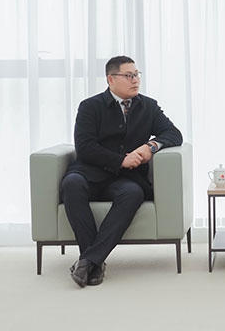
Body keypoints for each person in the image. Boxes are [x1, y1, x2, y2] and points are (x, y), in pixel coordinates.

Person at [60, 55, 183, 287]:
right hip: (89, 173)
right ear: (111, 79)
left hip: (125, 180)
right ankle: (94, 262)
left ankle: (88, 262)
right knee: (71, 184)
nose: (135, 80)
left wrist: (151, 146)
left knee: (133, 193)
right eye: (128, 76)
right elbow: (85, 147)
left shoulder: (148, 106)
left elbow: (174, 134)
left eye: (136, 75)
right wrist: (121, 161)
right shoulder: (90, 106)